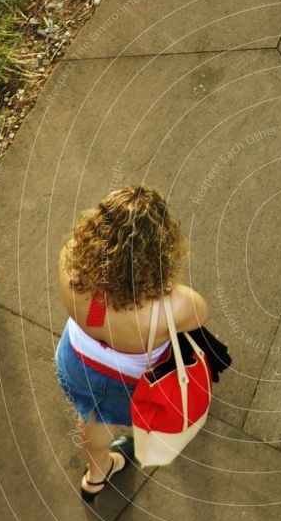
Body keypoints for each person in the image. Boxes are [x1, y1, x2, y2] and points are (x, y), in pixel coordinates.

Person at [55, 185, 209, 502]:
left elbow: (101, 309)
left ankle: (96, 475)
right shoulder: (171, 306)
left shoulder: (71, 261)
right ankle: (105, 467)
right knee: (106, 416)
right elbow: (200, 316)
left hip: (74, 359)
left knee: (93, 417)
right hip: (123, 383)